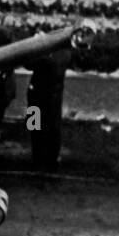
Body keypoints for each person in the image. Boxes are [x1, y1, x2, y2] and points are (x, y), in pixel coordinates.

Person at [27, 27, 72, 170]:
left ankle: (38, 158)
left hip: (38, 97)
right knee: (51, 128)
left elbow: (30, 63)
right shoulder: (64, 53)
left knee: (36, 128)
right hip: (51, 98)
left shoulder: (49, 57)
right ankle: (51, 158)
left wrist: (35, 46)